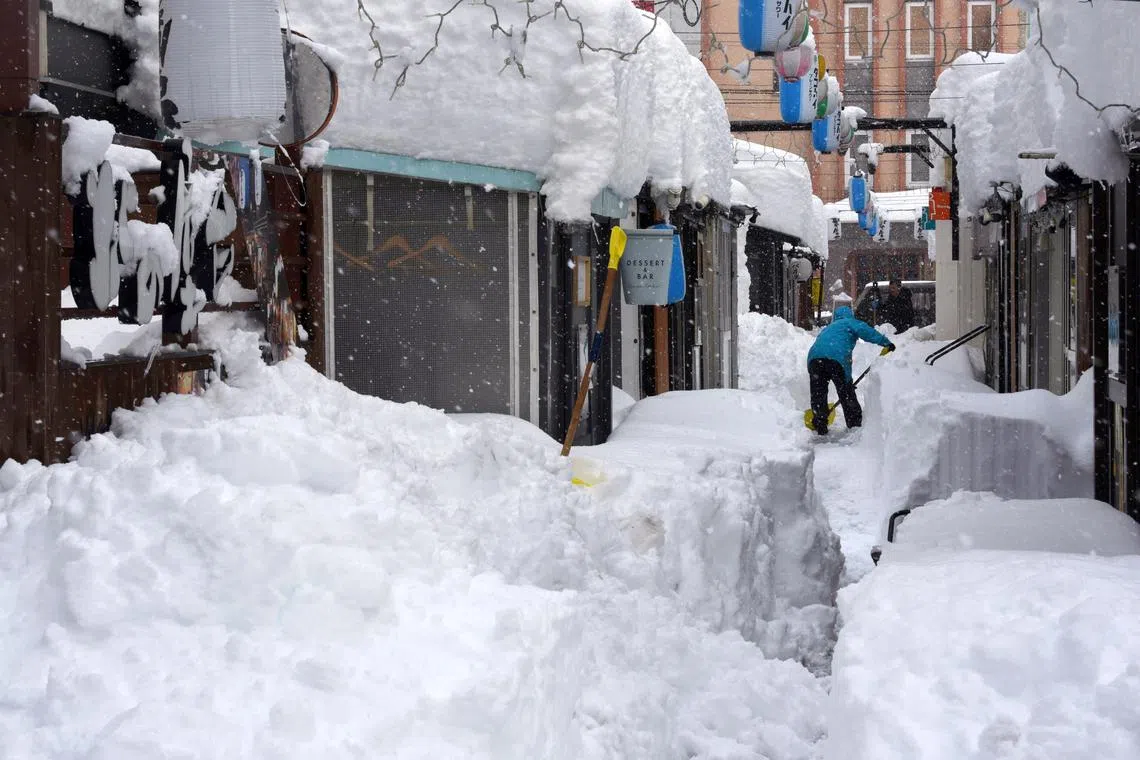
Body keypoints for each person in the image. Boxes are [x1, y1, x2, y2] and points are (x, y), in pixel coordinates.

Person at [806, 305, 894, 435]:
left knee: (818, 392)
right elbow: (866, 331)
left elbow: (822, 344)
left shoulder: (829, 327)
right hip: (836, 357)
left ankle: (820, 422)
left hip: (814, 359)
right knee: (846, 392)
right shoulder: (850, 322)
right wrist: (885, 342)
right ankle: (854, 424)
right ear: (850, 314)